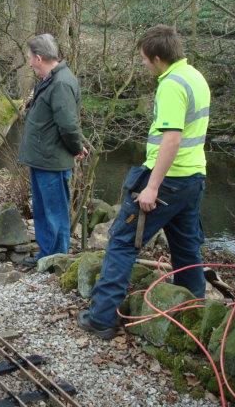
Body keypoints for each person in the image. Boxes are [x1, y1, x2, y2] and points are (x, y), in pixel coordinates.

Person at [78, 25, 210, 340]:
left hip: (167, 181)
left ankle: (102, 318)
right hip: (193, 177)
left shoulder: (171, 85)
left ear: (156, 57)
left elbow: (172, 140)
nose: (142, 64)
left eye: (143, 59)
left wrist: (151, 187)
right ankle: (195, 317)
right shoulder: (195, 76)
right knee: (186, 247)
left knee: (123, 241)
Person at [17, 34, 88, 267]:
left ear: (39, 58)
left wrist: (77, 148)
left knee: (55, 213)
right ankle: (45, 257)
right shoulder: (50, 79)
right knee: (43, 211)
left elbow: (68, 124)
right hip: (42, 159)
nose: (28, 63)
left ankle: (57, 261)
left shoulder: (61, 83)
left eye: (30, 58)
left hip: (53, 162)